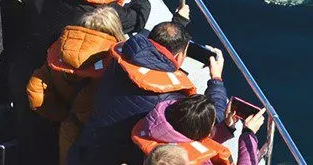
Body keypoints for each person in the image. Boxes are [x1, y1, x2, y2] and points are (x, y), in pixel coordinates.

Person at [67, 14, 228, 165]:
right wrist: (216, 79)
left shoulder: (119, 59)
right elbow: (207, 118)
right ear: (179, 56)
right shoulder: (169, 98)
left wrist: (178, 23)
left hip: (85, 147)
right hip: (114, 158)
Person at [25, 6, 125, 165]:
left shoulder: (61, 50)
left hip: (69, 128)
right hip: (95, 136)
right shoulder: (115, 64)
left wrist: (61, 115)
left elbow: (35, 89)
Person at [132, 95, 266, 165]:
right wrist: (248, 134)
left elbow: (189, 143)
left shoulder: (158, 137)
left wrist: (226, 127)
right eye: (212, 126)